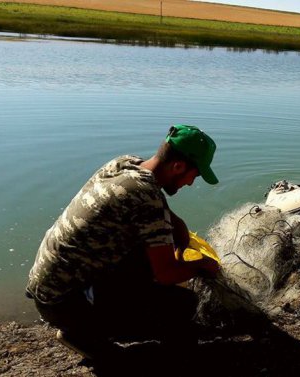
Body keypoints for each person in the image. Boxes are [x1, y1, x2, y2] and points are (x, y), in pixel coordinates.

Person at [26, 124, 221, 362]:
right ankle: (85, 336)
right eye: (195, 175)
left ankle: (94, 316)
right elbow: (166, 274)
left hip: (49, 286)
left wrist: (177, 226)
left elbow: (160, 212)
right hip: (65, 303)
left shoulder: (125, 165)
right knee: (183, 306)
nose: (191, 183)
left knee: (150, 253)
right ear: (178, 166)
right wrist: (201, 266)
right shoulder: (147, 199)